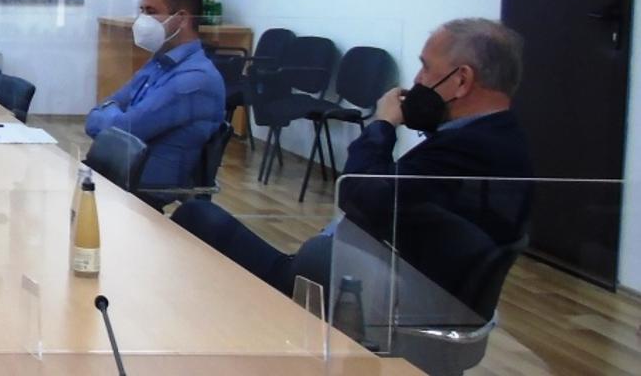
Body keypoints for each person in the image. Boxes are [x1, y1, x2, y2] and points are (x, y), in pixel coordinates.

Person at [172, 18, 533, 295]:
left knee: (197, 216)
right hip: (370, 274)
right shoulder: (497, 139)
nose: (417, 79)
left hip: (370, 295)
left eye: (425, 67)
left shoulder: (470, 151)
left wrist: (383, 125)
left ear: (462, 80)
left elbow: (359, 194)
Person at [85, 0, 227, 191]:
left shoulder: (194, 79)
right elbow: (94, 117)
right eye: (142, 11)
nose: (142, 20)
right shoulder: (159, 62)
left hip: (139, 190)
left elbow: (123, 130)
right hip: (115, 176)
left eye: (151, 12)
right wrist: (114, 115)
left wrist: (111, 112)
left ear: (181, 18)